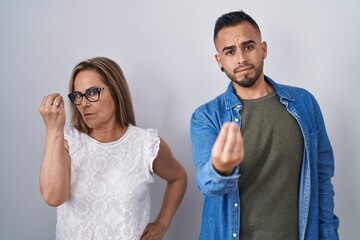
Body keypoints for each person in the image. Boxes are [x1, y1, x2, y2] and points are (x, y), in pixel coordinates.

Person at [190, 10, 339, 240]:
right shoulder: (206, 117)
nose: (241, 58)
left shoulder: (304, 104)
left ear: (263, 49)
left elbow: (322, 177)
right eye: (230, 52)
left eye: (248, 47)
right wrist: (220, 167)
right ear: (220, 60)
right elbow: (207, 185)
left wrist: (328, 234)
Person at [39, 57, 187, 240]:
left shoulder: (146, 144)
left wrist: (162, 224)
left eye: (93, 92)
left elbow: (178, 178)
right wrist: (54, 130)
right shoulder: (68, 142)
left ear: (116, 91)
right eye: (77, 96)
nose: (84, 103)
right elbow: (53, 198)